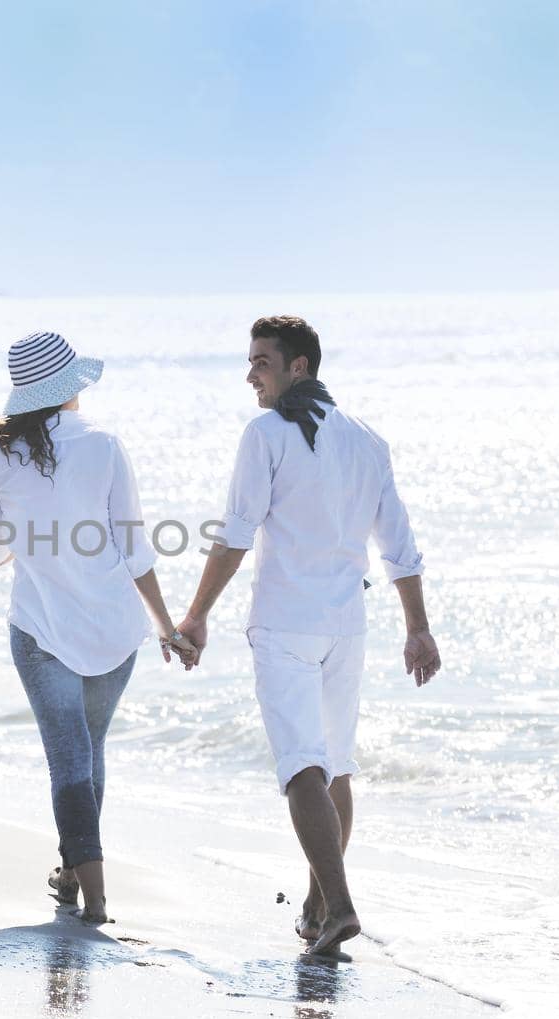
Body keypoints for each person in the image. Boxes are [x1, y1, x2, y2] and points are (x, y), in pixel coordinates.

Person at [175, 315, 440, 958]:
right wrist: (418, 629)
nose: (250, 374)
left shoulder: (265, 435)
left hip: (286, 626)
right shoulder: (367, 440)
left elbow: (236, 533)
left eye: (261, 361)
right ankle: (319, 908)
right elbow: (398, 547)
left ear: (299, 366)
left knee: (303, 769)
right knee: (336, 769)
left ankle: (341, 905)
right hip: (347, 626)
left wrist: (196, 615)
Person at [0, 331, 196, 925]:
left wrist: (33, 529)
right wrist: (166, 626)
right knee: (88, 753)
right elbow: (136, 549)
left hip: (41, 629)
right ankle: (73, 873)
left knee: (69, 760)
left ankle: (93, 898)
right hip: (114, 633)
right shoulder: (104, 445)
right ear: (70, 387)